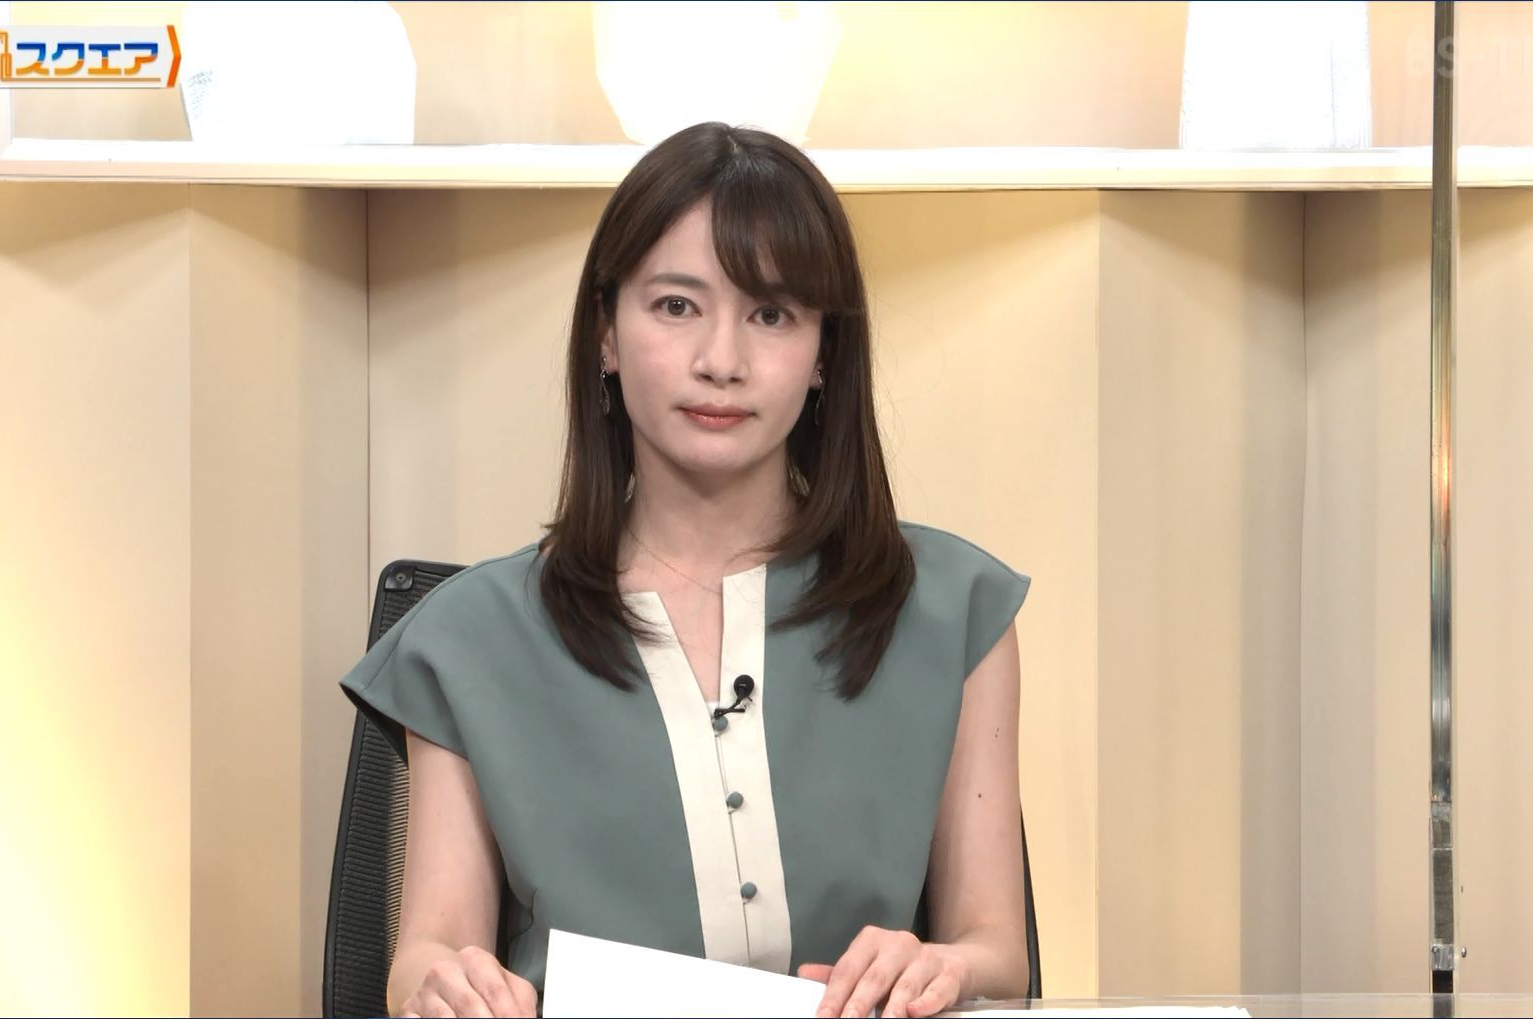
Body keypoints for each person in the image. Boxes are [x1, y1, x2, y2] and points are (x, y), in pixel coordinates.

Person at [340, 121, 1031, 1019]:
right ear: (606, 332)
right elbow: (427, 953)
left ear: (824, 354)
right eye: (676, 306)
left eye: (771, 315)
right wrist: (439, 983)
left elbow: (996, 949)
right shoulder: (468, 638)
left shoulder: (953, 608)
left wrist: (943, 966)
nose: (721, 362)